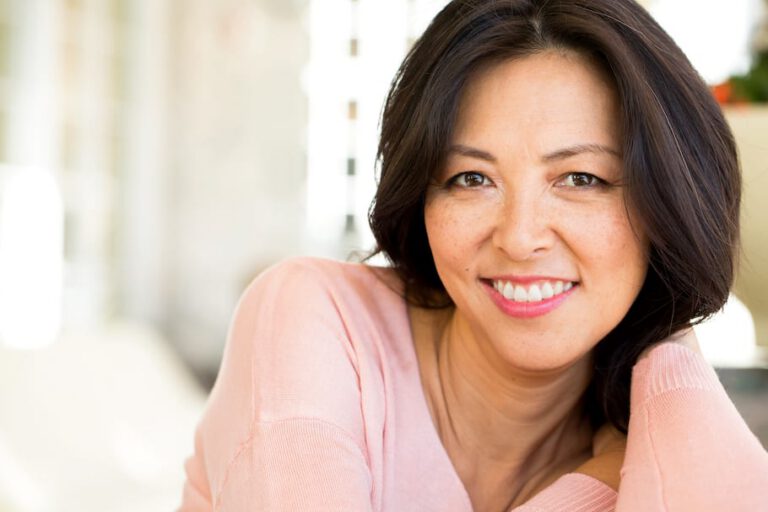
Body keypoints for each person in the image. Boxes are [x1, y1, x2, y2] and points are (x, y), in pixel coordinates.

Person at [179, 1, 768, 510]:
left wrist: (672, 356)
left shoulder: (656, 450)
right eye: (470, 179)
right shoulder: (315, 316)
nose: (518, 237)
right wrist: (598, 482)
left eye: (582, 178)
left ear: (666, 203)